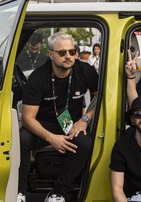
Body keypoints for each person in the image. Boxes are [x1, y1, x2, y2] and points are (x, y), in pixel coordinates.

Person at [18, 32, 99, 202]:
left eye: (72, 51)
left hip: (72, 125)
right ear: (51, 54)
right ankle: (20, 191)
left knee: (85, 143)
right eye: (62, 53)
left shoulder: (85, 71)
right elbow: (28, 118)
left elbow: (100, 96)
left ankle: (58, 193)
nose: (69, 56)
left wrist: (85, 119)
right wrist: (52, 138)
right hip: (44, 125)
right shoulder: (38, 77)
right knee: (23, 138)